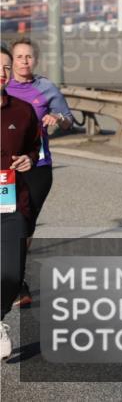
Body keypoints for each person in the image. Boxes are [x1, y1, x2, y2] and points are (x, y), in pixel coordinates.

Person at [6, 38, 73, 305]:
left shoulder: (45, 87)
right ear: (10, 62)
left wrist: (58, 118)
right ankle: (15, 280)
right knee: (9, 224)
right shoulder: (3, 86)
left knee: (25, 223)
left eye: (28, 57)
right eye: (18, 57)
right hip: (6, 168)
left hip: (38, 167)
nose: (24, 61)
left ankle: (17, 282)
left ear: (35, 60)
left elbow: (69, 120)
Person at [1, 46, 41, 361]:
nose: (1, 73)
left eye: (5, 67)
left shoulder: (23, 110)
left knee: (13, 274)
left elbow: (33, 147)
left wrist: (29, 158)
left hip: (12, 202)